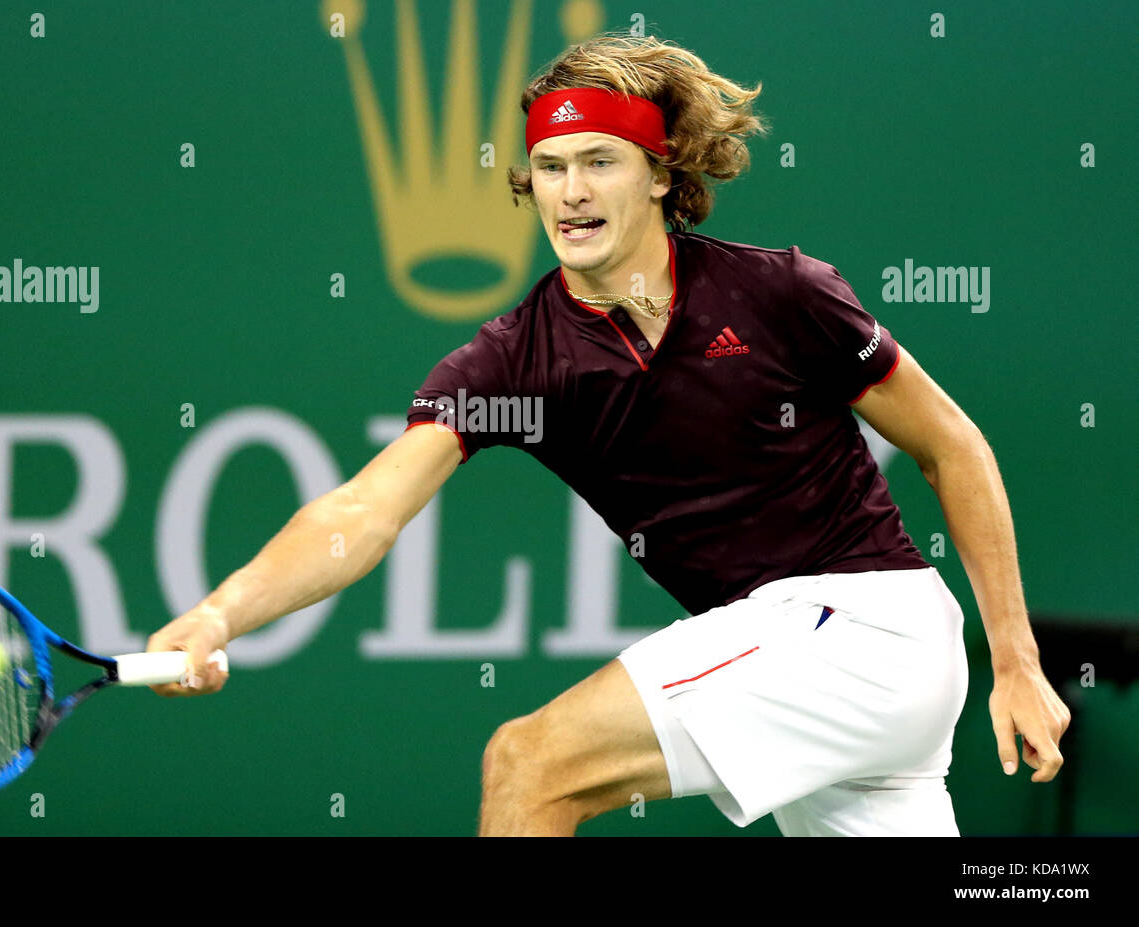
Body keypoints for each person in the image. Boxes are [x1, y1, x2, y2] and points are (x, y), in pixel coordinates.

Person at [146, 34, 1070, 836]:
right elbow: (363, 511)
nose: (571, 193)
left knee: (529, 763)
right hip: (814, 670)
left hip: (867, 626)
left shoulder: (785, 292)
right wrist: (220, 614)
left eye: (601, 161)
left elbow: (954, 445)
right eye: (550, 167)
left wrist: (1017, 662)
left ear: (662, 175)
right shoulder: (515, 360)